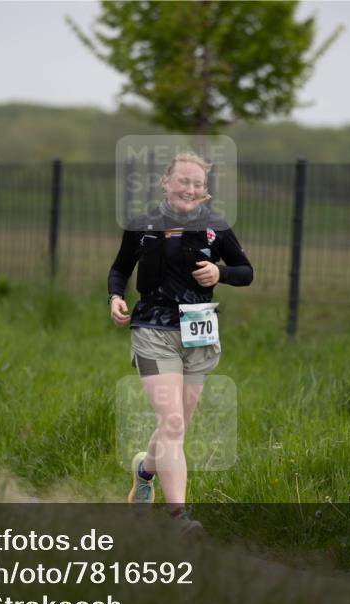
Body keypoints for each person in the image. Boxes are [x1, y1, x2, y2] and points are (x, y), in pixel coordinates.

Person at [108, 151, 253, 533]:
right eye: (183, 181)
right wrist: (115, 296)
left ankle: (144, 472)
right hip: (152, 331)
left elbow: (246, 271)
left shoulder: (216, 227)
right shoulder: (143, 225)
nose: (190, 189)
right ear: (166, 182)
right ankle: (179, 519)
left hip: (198, 334)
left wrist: (219, 273)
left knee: (176, 426)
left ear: (204, 189)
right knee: (171, 423)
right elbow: (120, 268)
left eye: (197, 183)